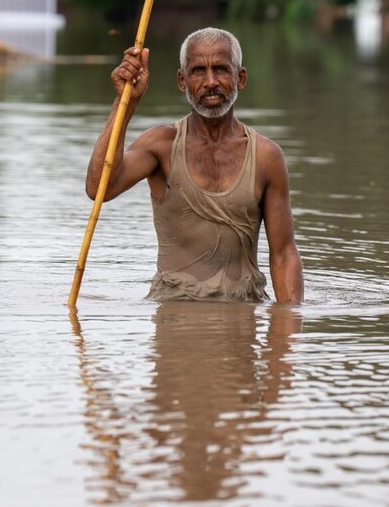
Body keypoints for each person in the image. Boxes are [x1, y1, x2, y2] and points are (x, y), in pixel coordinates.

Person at [85, 27, 304, 304]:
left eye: (221, 69)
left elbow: (284, 254)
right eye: (198, 70)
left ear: (240, 79)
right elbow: (98, 188)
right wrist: (126, 101)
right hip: (173, 307)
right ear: (182, 81)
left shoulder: (266, 156)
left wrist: (287, 330)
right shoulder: (161, 146)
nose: (210, 81)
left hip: (242, 312)